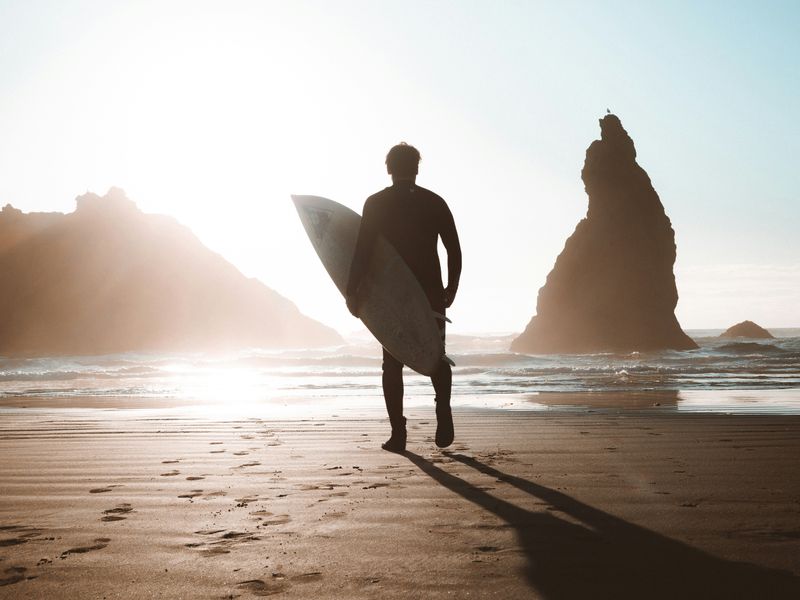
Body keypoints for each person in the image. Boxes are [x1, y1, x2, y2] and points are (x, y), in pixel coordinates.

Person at [346, 143, 462, 453]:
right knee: (436, 354)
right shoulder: (434, 202)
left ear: (388, 168)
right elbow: (454, 249)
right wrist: (451, 289)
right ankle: (443, 408)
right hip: (430, 295)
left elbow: (362, 252)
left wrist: (353, 292)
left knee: (391, 364)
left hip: (392, 294)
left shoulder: (376, 203)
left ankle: (399, 434)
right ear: (417, 168)